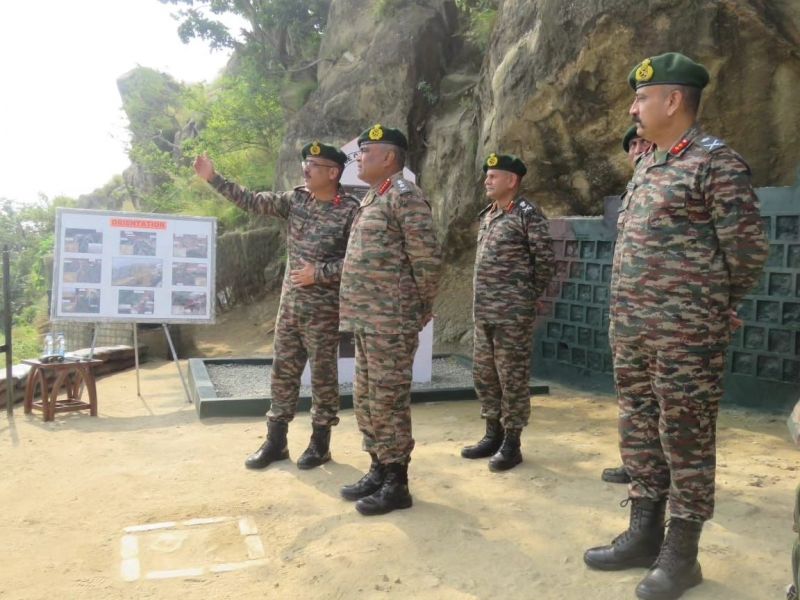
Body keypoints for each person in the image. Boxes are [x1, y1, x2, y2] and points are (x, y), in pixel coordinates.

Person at [583, 52, 768, 600]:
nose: (633, 107)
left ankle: (682, 556)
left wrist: (713, 304)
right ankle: (644, 535)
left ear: (673, 100)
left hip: (687, 334)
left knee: (684, 438)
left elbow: (749, 251)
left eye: (642, 97)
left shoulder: (717, 164)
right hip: (634, 330)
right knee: (639, 431)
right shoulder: (649, 163)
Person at [193, 142, 359, 471]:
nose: (305, 169)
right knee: (282, 374)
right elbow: (253, 201)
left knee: (324, 379)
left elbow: (359, 261)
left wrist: (320, 273)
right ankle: (276, 441)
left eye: (313, 164)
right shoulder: (296, 199)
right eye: (305, 164)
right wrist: (214, 178)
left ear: (333, 172)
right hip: (290, 310)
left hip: (324, 313)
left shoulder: (351, 210)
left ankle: (320, 443)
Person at [337, 124, 441, 516]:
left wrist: (418, 308)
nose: (359, 158)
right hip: (366, 320)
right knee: (366, 398)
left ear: (390, 158)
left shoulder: (404, 196)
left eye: (367, 151)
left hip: (391, 321)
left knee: (388, 400)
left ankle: (397, 481)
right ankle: (379, 467)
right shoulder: (372, 198)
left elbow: (427, 260)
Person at [461, 153, 554, 471]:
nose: (487, 180)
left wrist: (524, 298)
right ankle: (492, 434)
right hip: (484, 313)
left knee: (511, 379)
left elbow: (544, 262)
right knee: (485, 376)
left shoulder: (527, 214)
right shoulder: (489, 214)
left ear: (512, 181)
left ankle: (512, 443)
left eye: (494, 175)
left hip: (512, 315)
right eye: (486, 175)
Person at [600, 126, 654, 485]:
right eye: (631, 145)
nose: (636, 149)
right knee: (633, 398)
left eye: (641, 142)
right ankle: (637, 463)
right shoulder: (633, 192)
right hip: (627, 316)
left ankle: (660, 473)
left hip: (664, 317)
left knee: (664, 400)